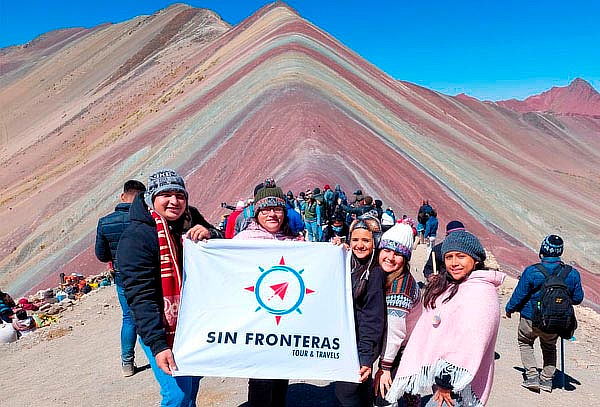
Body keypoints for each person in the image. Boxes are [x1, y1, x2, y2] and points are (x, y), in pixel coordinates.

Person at [117, 169, 222, 407]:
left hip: (192, 320)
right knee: (177, 394)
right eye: (166, 194)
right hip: (161, 325)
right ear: (152, 197)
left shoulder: (190, 218)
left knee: (191, 385)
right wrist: (158, 344)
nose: (174, 201)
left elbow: (221, 240)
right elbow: (140, 296)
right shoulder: (137, 236)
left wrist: (210, 233)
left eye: (180, 195)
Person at [385, 231, 505, 407]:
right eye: (449, 257)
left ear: (476, 260)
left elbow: (468, 343)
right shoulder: (455, 286)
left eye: (461, 256)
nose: (454, 263)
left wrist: (445, 384)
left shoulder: (480, 292)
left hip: (456, 385)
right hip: (446, 380)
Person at [234, 178, 304, 407]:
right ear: (256, 212)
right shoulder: (242, 241)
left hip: (284, 322)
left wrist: (336, 251)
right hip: (255, 323)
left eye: (277, 209)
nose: (272, 214)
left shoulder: (294, 242)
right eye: (265, 209)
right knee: (261, 379)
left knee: (281, 375)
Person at [505, 234, 584, 393]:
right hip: (555, 321)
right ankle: (547, 381)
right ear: (560, 252)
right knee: (549, 347)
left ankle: (532, 376)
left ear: (542, 250)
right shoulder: (572, 274)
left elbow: (519, 295)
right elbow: (577, 299)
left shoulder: (532, 271)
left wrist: (510, 308)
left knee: (525, 343)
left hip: (530, 318)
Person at [95, 179, 146, 377]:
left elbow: (101, 255)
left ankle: (127, 362)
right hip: (148, 275)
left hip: (123, 278)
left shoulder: (105, 222)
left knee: (129, 318)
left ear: (123, 196)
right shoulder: (147, 219)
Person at [334, 215, 385, 407]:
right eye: (355, 240)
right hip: (346, 342)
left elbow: (372, 319)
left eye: (366, 240)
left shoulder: (374, 273)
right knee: (360, 394)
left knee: (346, 394)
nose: (359, 245)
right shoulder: (350, 264)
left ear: (376, 242)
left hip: (359, 347)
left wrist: (366, 358)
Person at [373, 223, 422, 407]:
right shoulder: (389, 276)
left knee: (384, 394)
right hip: (409, 342)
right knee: (409, 388)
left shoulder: (400, 290)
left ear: (406, 258)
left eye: (398, 254)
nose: (390, 257)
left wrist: (385, 368)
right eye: (386, 250)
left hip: (405, 346)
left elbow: (396, 333)